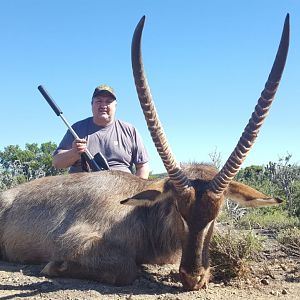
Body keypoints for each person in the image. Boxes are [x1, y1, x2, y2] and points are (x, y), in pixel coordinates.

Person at [52, 84, 150, 179]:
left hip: (122, 191)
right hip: (83, 189)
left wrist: (137, 194)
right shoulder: (76, 129)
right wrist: (74, 152)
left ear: (115, 106)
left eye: (108, 101)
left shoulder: (130, 130)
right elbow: (57, 163)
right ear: (92, 104)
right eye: (99, 101)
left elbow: (142, 166)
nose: (103, 105)